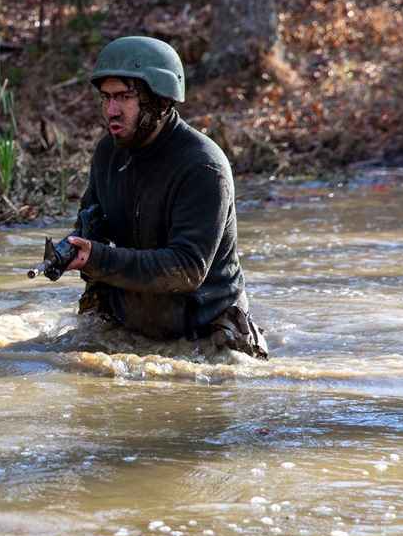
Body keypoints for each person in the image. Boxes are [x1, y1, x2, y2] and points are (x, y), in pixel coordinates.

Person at [63, 36, 269, 359]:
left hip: (204, 336)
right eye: (105, 97)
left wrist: (99, 258)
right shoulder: (107, 154)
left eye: (125, 97)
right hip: (126, 327)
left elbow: (186, 269)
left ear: (161, 101)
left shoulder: (204, 167)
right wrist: (77, 248)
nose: (111, 111)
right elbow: (88, 225)